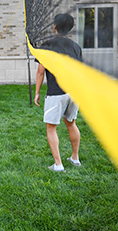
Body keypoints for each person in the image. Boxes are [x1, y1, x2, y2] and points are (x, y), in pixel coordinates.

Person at [34, 13, 82, 172]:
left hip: (56, 93)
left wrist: (37, 93)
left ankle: (58, 165)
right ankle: (75, 158)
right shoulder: (76, 46)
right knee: (71, 123)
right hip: (74, 91)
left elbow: (41, 71)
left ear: (54, 26)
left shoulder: (47, 45)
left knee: (51, 128)